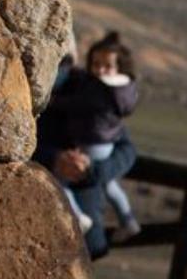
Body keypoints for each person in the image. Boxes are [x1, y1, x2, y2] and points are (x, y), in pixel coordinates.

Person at [33, 31, 141, 258]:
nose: (62, 66)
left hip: (87, 233)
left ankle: (124, 219)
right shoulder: (33, 96)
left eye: (66, 59)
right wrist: (54, 159)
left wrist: (95, 170)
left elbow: (126, 148)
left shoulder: (93, 88)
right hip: (38, 226)